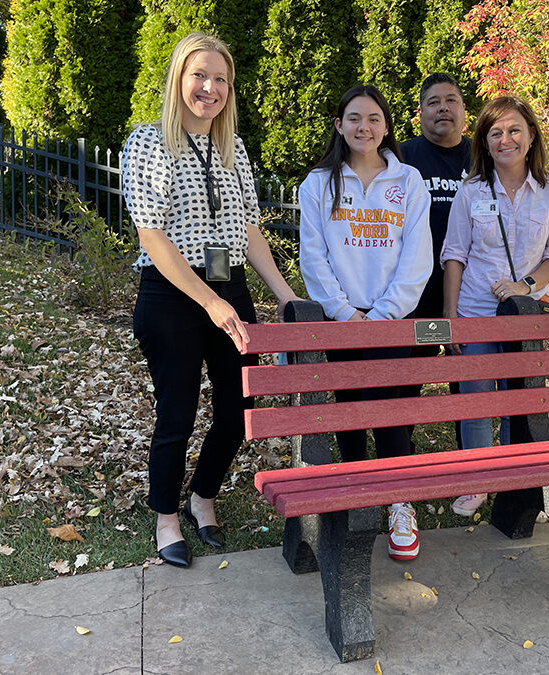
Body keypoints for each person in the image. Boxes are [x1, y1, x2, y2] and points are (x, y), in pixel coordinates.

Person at [122, 32, 299, 568]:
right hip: (173, 295)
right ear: (178, 79)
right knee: (176, 412)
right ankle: (166, 518)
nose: (210, 88)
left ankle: (203, 496)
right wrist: (209, 303)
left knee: (238, 411)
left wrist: (287, 297)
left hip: (229, 285)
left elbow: (248, 231)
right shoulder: (147, 142)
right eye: (200, 75)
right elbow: (152, 235)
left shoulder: (233, 148)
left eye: (220, 79)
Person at [298, 85, 432, 560]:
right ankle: (359, 501)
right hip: (341, 319)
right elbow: (313, 258)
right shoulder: (317, 184)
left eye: (374, 118)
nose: (364, 127)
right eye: (354, 118)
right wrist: (345, 314)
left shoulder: (410, 181)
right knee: (350, 412)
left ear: (388, 126)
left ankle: (399, 502)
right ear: (339, 125)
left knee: (392, 413)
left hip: (392, 321)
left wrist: (381, 317)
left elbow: (418, 259)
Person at [440, 96, 549, 517]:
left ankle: (519, 483)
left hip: (525, 317)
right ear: (484, 142)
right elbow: (454, 255)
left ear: (531, 136)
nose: (505, 139)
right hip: (476, 311)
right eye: (495, 132)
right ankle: (477, 481)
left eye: (514, 130)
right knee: (476, 398)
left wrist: (525, 285)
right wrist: (449, 316)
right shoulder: (472, 192)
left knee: (521, 400)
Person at [400, 73, 471, 449]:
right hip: (417, 297)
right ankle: (400, 462)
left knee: (467, 381)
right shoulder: (401, 157)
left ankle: (471, 466)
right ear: (420, 113)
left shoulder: (483, 159)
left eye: (451, 100)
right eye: (433, 102)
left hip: (470, 297)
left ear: (463, 110)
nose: (443, 107)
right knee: (411, 376)